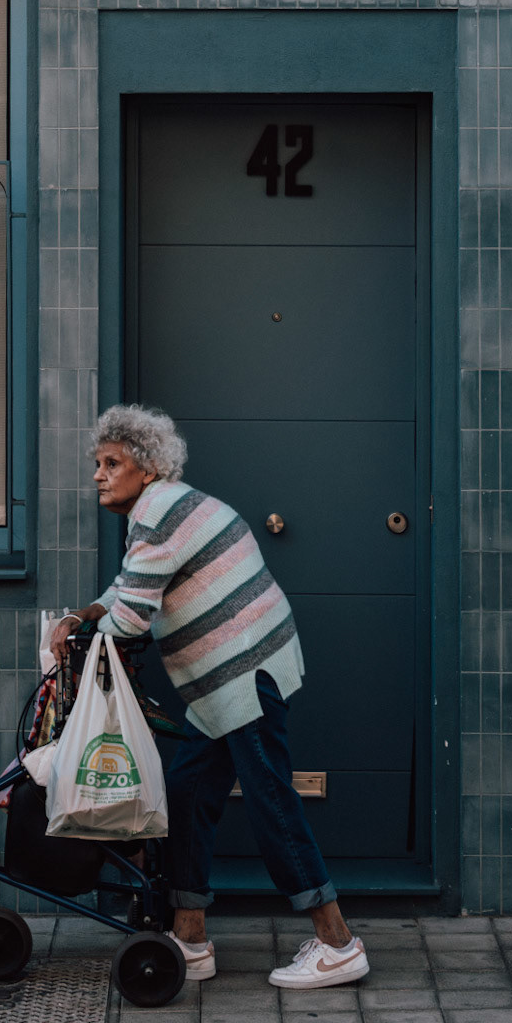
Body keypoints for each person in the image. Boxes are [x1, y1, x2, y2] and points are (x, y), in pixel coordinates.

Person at [48, 404, 369, 993]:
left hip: (240, 674)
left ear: (146, 468)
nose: (98, 473)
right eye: (96, 462)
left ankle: (337, 943)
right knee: (191, 793)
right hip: (227, 681)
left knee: (271, 800)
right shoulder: (163, 509)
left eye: (111, 462)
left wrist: (88, 635)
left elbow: (134, 615)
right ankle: (190, 938)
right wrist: (87, 613)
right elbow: (129, 585)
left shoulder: (160, 514)